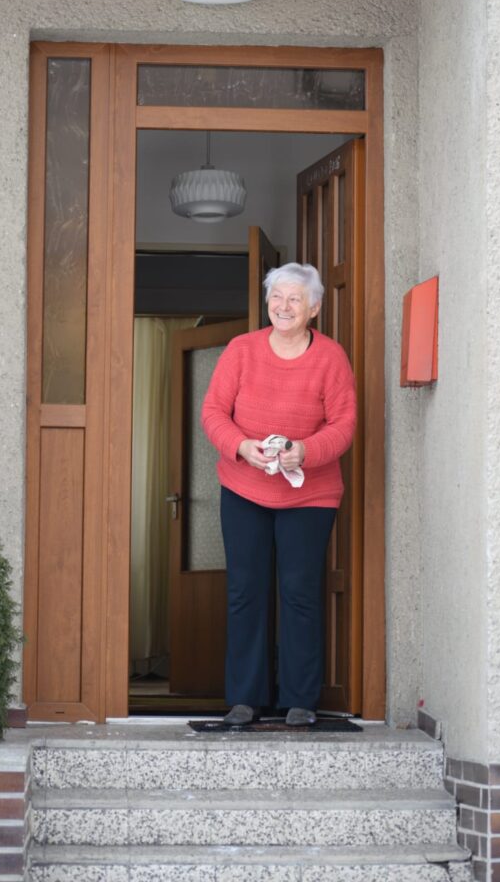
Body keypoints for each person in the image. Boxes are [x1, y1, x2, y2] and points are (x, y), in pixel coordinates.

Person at [201, 262, 356, 726]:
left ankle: (300, 701)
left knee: (300, 592)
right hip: (244, 487)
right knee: (245, 591)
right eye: (277, 297)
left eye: (295, 299)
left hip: (310, 495)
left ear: (314, 308)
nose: (284, 307)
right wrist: (241, 447)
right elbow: (213, 412)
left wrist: (305, 451)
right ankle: (245, 699)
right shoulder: (241, 350)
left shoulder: (331, 357)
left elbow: (344, 425)